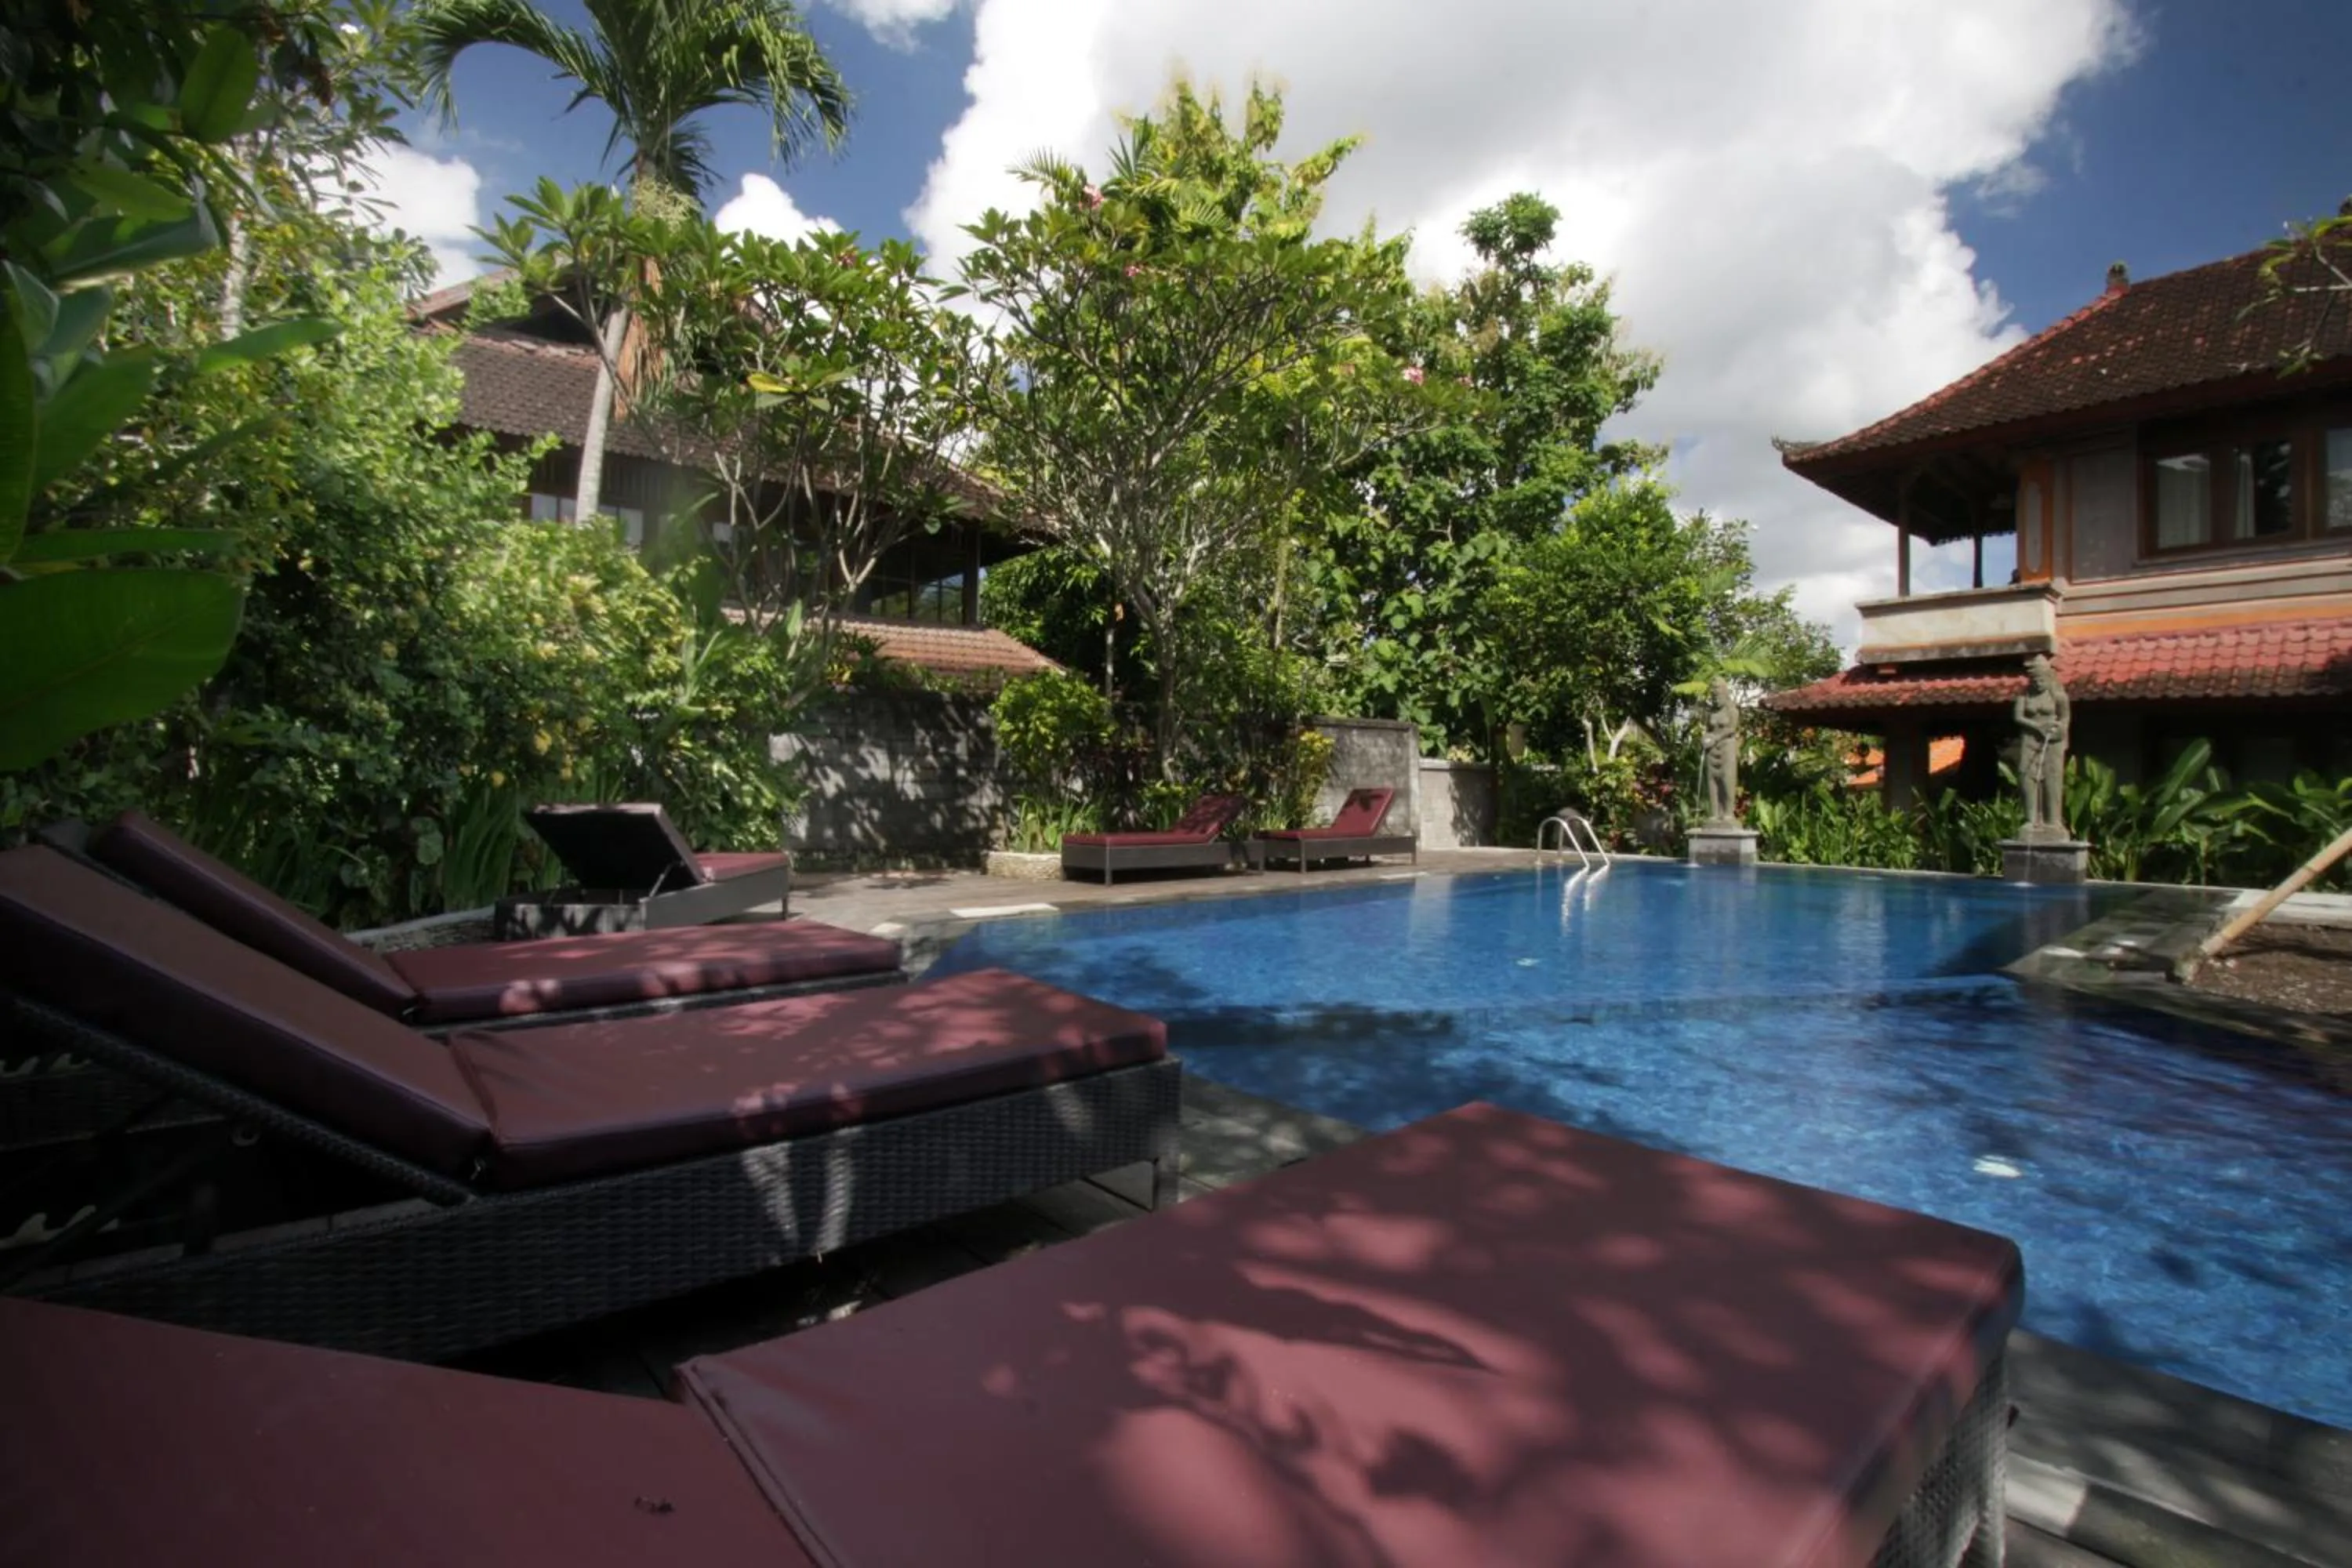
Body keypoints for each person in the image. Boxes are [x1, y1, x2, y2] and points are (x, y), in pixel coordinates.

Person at [2013, 654, 2070, 836]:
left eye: (2042, 679)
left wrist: (2058, 729)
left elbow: (2065, 718)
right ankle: (2031, 819)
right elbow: (2018, 717)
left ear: (2049, 677)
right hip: (2030, 738)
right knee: (2027, 775)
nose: (2038, 683)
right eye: (2035, 680)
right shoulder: (2024, 695)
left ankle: (2052, 820)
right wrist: (2037, 726)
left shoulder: (2059, 695)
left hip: (2051, 740)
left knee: (2052, 778)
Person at [1701, 677, 1740, 825]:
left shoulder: (1732, 710)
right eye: (1713, 696)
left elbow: (1731, 729)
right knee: (1712, 780)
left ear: (1725, 693)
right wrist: (1706, 738)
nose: (1716, 699)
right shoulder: (1711, 712)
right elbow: (1708, 729)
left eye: (1718, 695)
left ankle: (1728, 814)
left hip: (1727, 747)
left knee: (1726, 779)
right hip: (1712, 750)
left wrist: (1716, 738)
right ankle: (1714, 814)